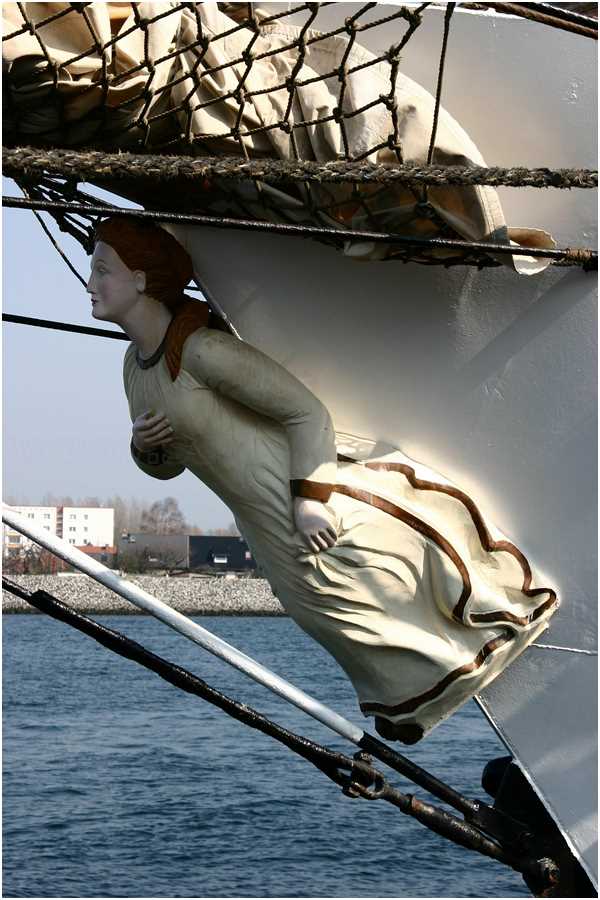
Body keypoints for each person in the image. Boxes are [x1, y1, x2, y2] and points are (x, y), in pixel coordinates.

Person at [87, 216, 559, 743]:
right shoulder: (136, 369)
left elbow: (306, 414)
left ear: (141, 279)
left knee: (380, 583)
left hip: (298, 496)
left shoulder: (202, 352)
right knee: (332, 618)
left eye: (103, 270)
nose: (90, 284)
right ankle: (417, 696)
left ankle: (476, 647)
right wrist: (143, 447)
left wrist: (312, 499)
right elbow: (170, 463)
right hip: (264, 527)